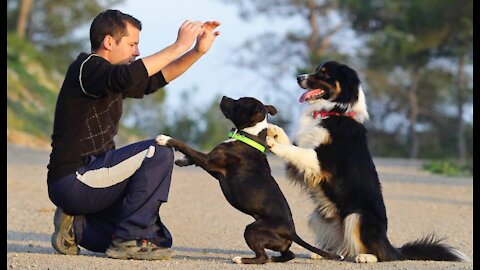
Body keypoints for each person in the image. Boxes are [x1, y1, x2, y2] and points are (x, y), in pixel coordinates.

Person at [46, 9, 220, 260]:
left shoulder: (111, 77)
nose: (137, 51)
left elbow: (155, 78)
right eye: (132, 44)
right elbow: (127, 77)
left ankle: (75, 227)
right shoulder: (87, 68)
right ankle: (127, 241)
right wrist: (178, 45)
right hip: (75, 179)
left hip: (97, 180)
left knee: (157, 239)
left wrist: (196, 51)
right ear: (108, 42)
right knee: (159, 151)